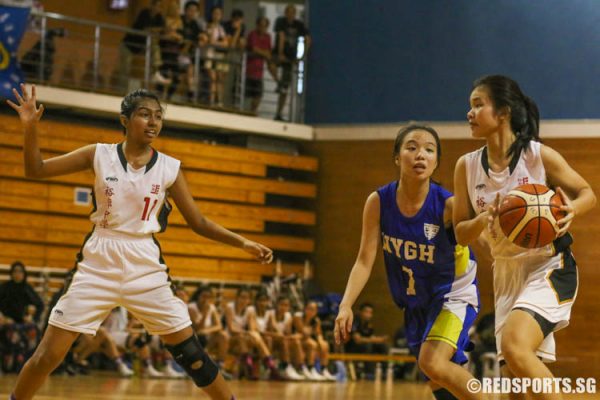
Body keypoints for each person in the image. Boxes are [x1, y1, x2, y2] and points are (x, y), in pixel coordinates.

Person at [6, 84, 273, 400]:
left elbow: (198, 222)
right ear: (124, 120)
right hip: (99, 260)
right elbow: (35, 170)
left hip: (144, 263)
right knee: (47, 357)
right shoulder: (98, 154)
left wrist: (243, 243)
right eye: (145, 114)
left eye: (158, 116)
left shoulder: (169, 167)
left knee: (192, 355)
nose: (153, 122)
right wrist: (30, 129)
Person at [453, 75, 596, 400]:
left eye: (478, 105)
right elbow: (460, 232)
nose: (470, 113)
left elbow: (588, 193)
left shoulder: (537, 156)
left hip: (549, 267)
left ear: (503, 112)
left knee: (515, 348)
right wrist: (483, 219)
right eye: (470, 106)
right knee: (517, 388)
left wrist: (572, 209)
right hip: (506, 276)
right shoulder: (467, 166)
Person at [334, 124, 482, 400]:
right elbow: (364, 260)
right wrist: (346, 305)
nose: (420, 155)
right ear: (396, 156)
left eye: (429, 150)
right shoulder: (378, 202)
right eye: (411, 147)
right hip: (416, 303)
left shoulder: (448, 204)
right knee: (438, 382)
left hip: (453, 295)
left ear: (437, 161)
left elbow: (474, 234)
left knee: (432, 363)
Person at [224, 288, 279, 380]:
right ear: (237, 298)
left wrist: (250, 332)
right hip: (229, 339)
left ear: (249, 300)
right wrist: (248, 332)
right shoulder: (230, 307)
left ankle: (251, 363)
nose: (244, 300)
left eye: (247, 298)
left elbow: (252, 328)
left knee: (254, 336)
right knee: (247, 336)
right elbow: (231, 329)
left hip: (242, 340)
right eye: (242, 297)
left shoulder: (249, 311)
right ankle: (270, 364)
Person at [117, 0, 171, 91]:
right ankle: (121, 91)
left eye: (159, 7)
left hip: (141, 46)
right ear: (151, 6)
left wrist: (169, 33)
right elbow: (146, 28)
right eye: (155, 6)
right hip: (128, 45)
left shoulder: (159, 17)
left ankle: (155, 72)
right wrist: (159, 30)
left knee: (155, 47)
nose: (157, 9)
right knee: (124, 69)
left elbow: (164, 31)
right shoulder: (144, 13)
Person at [272, 4, 310, 121]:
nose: (290, 15)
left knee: (285, 87)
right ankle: (278, 82)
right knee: (271, 64)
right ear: (285, 13)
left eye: (293, 13)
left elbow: (308, 39)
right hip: (279, 52)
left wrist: (302, 56)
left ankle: (279, 113)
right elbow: (281, 36)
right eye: (289, 12)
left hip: (290, 57)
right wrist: (280, 53)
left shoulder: (299, 25)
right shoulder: (281, 21)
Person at [293, 301, 336, 381]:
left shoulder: (316, 321)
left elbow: (318, 333)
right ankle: (309, 369)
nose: (311, 311)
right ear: (305, 309)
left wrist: (321, 341)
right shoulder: (298, 317)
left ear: (316, 311)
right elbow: (303, 332)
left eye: (313, 310)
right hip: (295, 340)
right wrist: (310, 332)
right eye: (309, 309)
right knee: (312, 344)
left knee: (325, 345)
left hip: (305, 340)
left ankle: (323, 369)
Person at [345, 302, 389, 376]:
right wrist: (373, 340)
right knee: (369, 346)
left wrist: (380, 339)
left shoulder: (368, 324)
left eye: (370, 313)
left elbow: (371, 337)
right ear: (360, 312)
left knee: (383, 346)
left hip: (365, 346)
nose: (368, 315)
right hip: (352, 347)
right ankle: (369, 373)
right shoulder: (354, 321)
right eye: (366, 312)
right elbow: (357, 340)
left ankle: (385, 373)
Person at [245, 16, 273, 114]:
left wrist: (262, 52)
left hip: (259, 72)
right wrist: (264, 53)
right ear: (257, 26)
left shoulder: (268, 37)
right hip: (248, 71)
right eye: (261, 26)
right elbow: (254, 48)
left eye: (265, 26)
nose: (262, 28)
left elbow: (269, 52)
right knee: (246, 94)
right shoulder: (252, 34)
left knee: (258, 95)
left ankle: (252, 112)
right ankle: (244, 112)